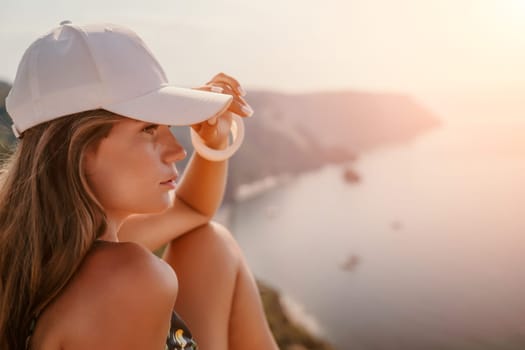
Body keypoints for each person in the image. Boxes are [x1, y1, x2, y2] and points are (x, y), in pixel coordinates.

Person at [0, 21, 278, 350]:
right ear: (77, 150)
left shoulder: (40, 243)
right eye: (148, 129)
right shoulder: (129, 279)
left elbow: (192, 210)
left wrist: (212, 142)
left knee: (210, 243)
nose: (178, 149)